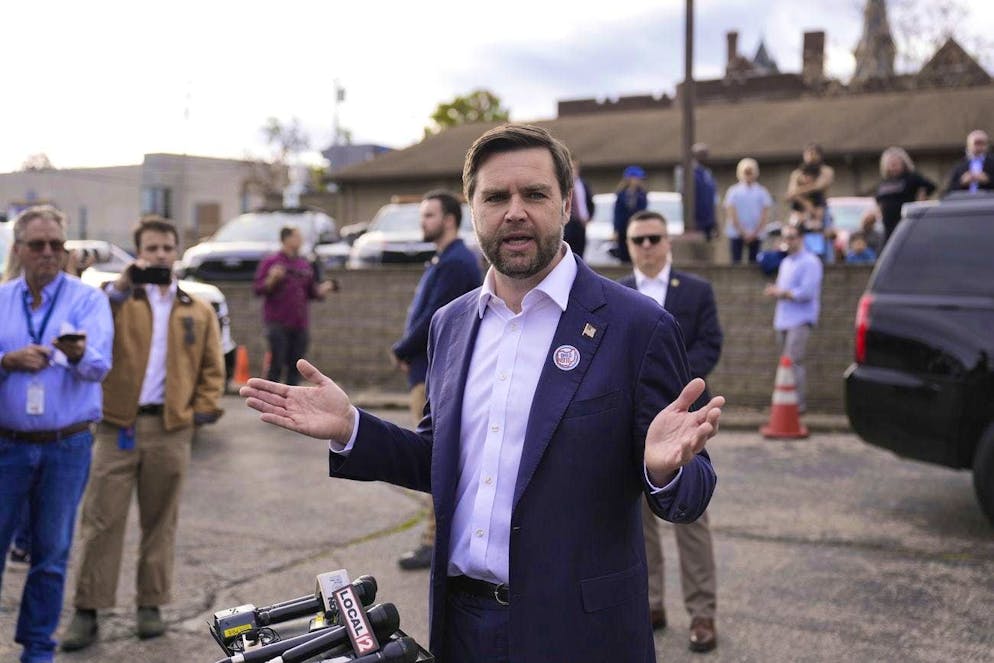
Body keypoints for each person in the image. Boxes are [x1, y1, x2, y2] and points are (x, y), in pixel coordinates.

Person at [240, 124, 723, 663]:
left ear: (566, 204)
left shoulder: (637, 326)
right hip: (464, 626)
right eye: (495, 196)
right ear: (471, 208)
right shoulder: (449, 325)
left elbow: (692, 489)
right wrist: (353, 427)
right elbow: (440, 461)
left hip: (582, 633)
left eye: (534, 194)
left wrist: (664, 471)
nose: (515, 211)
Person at [62, 216, 225, 651]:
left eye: (166, 248)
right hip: (118, 426)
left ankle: (150, 604)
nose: (159, 256)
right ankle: (88, 609)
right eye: (150, 249)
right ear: (138, 253)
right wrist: (122, 284)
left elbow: (212, 368)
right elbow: (93, 326)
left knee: (160, 522)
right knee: (101, 520)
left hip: (171, 428)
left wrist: (201, 411)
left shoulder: (197, 308)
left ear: (176, 252)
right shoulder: (116, 299)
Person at [0, 205, 113, 663]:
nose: (48, 253)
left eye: (56, 246)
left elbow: (99, 366)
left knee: (51, 553)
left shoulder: (87, 301)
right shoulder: (2, 298)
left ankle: (38, 648)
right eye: (37, 245)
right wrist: (7, 361)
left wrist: (72, 354)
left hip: (66, 445)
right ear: (19, 250)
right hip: (6, 444)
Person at [618, 210, 723, 653]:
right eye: (638, 239)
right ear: (628, 245)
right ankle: (651, 603)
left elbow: (710, 343)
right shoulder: (617, 295)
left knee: (691, 520)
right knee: (639, 523)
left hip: (685, 422)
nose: (646, 246)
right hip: (633, 428)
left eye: (654, 237)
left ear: (668, 242)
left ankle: (702, 612)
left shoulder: (696, 291)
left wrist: (668, 385)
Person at [392, 190, 482, 571]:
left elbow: (434, 318)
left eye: (428, 215)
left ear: (448, 219)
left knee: (436, 458)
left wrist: (401, 349)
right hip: (426, 370)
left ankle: (434, 541)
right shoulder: (444, 259)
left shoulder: (457, 262)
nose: (422, 222)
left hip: (438, 376)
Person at [253, 226, 336, 385]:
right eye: (297, 236)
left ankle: (291, 405)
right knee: (276, 365)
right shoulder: (271, 262)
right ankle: (271, 403)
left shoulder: (304, 264)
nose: (301, 240)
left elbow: (312, 292)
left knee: (296, 367)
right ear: (286, 239)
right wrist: (272, 279)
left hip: (299, 324)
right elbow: (258, 289)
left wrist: (324, 289)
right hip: (277, 323)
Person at [763, 226, 823, 414]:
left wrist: (779, 292)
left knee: (793, 361)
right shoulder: (786, 262)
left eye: (792, 237)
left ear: (801, 238)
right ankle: (785, 404)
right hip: (783, 319)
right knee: (785, 363)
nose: (788, 241)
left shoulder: (811, 261)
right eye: (786, 237)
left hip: (800, 319)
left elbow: (806, 293)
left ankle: (798, 406)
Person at [863, 146, 936, 245]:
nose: (893, 166)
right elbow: (879, 200)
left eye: (896, 163)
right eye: (890, 164)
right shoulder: (884, 183)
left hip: (906, 223)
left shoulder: (912, 178)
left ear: (903, 163)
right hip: (888, 225)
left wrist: (922, 197)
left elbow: (931, 186)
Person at [786, 143, 834, 260]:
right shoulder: (797, 173)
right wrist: (807, 205)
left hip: (819, 210)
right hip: (801, 211)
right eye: (809, 153)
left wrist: (798, 191)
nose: (811, 156)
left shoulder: (825, 170)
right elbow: (790, 194)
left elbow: (820, 186)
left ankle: (827, 262)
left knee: (824, 236)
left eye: (814, 153)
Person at [723, 157, 773, 264]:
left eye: (751, 172)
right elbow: (731, 213)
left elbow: (765, 214)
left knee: (754, 263)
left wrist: (755, 233)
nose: (748, 175)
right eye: (746, 172)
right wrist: (743, 232)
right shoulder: (733, 191)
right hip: (736, 233)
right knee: (735, 263)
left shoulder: (762, 192)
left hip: (756, 233)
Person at [613, 164, 648, 263]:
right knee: (623, 255)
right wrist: (615, 230)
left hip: (637, 229)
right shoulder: (621, 194)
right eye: (635, 178)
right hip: (623, 229)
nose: (637, 180)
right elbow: (617, 213)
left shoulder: (642, 195)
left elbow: (643, 212)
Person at [562, 158, 595, 259]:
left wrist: (589, 217)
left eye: (575, 168)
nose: (574, 170)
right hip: (568, 224)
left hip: (581, 224)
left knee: (580, 253)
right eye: (571, 168)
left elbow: (589, 202)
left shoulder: (583, 184)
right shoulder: (563, 185)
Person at [945, 129, 994, 194]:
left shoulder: (992, 162)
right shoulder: (960, 165)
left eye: (982, 143)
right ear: (969, 145)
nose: (979, 147)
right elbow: (948, 191)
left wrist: (988, 180)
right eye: (976, 143)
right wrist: (962, 182)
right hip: (965, 201)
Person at [692, 143, 717, 241]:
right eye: (702, 154)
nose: (706, 157)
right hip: (696, 221)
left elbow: (713, 198)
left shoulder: (707, 173)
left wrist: (714, 221)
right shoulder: (690, 173)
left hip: (708, 220)